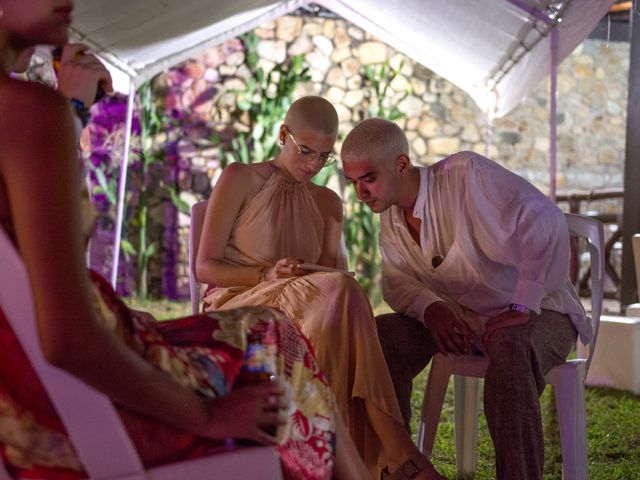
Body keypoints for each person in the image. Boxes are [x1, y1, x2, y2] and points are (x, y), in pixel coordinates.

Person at [0, 2, 369, 479]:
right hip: (70, 410)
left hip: (20, 398)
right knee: (271, 334)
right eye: (306, 150)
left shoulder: (35, 111)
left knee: (268, 329)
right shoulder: (29, 111)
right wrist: (209, 416)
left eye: (323, 156)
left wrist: (70, 112)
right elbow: (67, 337)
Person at [196, 96, 446, 479]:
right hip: (241, 304)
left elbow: (332, 279)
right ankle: (394, 456)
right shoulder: (240, 178)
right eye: (306, 151)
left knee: (343, 297)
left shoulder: (328, 202)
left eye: (324, 157)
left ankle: (335, 463)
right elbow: (205, 266)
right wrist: (266, 275)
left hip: (307, 310)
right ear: (283, 134)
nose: (313, 165)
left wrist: (328, 280)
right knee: (342, 299)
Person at [340, 118, 589, 480]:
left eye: (369, 179)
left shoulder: (465, 176)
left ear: (402, 164)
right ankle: (397, 466)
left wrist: (523, 303)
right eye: (353, 183)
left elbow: (544, 219)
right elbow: (397, 284)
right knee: (381, 336)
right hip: (466, 321)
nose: (361, 194)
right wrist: (432, 309)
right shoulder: (392, 221)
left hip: (542, 312)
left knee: (509, 341)